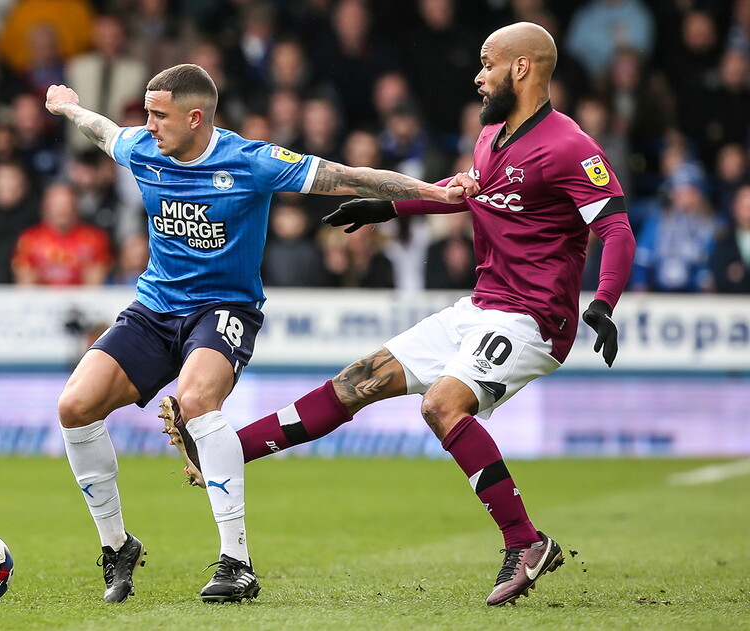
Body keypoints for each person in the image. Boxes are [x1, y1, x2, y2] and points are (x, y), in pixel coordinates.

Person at [165, 23, 637, 607]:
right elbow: (464, 193)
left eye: (488, 63)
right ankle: (225, 448)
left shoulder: (569, 146)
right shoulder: (491, 136)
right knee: (358, 380)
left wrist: (605, 302)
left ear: (521, 68)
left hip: (534, 319)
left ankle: (526, 542)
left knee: (441, 403)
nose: (478, 74)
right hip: (482, 306)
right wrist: (388, 205)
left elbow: (614, 225)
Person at [44, 64, 465, 604]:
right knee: (74, 407)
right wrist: (70, 108)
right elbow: (104, 132)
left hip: (225, 308)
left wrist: (435, 193)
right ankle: (117, 547)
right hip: (154, 307)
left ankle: (235, 562)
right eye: (147, 114)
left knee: (195, 400)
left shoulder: (251, 162)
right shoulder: (145, 148)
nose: (146, 125)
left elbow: (349, 175)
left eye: (158, 115)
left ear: (195, 118)